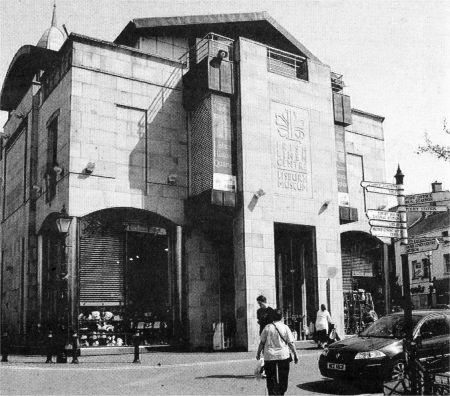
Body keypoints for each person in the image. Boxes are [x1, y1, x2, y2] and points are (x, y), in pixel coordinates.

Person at [256, 309, 298, 396]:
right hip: (283, 355)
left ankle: (272, 393)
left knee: (270, 376)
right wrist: (295, 354)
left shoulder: (267, 327)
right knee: (283, 376)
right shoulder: (285, 327)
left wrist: (258, 353)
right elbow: (291, 343)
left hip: (270, 355)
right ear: (281, 317)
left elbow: (262, 342)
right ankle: (281, 392)